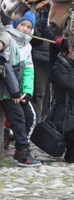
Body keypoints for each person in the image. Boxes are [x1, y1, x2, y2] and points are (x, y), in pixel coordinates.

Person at [0, 23, 40, 167]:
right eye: (22, 25)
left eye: (29, 27)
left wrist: (27, 92)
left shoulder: (27, 45)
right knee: (18, 117)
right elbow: (6, 67)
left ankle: (20, 149)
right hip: (6, 88)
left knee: (30, 116)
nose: (25, 29)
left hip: (16, 88)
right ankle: (23, 150)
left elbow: (29, 68)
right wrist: (15, 91)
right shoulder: (7, 39)